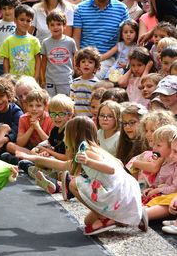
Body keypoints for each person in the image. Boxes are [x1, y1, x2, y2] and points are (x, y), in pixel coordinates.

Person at [16, 116, 147, 235]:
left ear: (75, 134)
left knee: (74, 183)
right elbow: (60, 165)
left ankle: (107, 218)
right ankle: (128, 215)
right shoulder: (91, 150)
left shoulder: (88, 152)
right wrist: (30, 157)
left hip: (117, 195)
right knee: (88, 221)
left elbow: (112, 169)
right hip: (126, 195)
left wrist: (88, 161)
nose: (64, 136)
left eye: (66, 132)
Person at [18, 94, 74, 193]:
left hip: (67, 165)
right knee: (37, 158)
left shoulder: (70, 132)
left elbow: (67, 158)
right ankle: (49, 179)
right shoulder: (55, 130)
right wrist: (39, 149)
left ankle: (58, 183)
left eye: (61, 114)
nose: (56, 118)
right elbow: (49, 143)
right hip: (55, 162)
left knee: (61, 172)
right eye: (53, 114)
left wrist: (49, 151)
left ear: (69, 115)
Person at [73, 0, 129, 80]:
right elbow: (76, 38)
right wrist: (76, 62)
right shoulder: (80, 8)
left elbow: (124, 39)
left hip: (108, 57)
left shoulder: (121, 9)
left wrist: (100, 58)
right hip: (84, 57)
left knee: (94, 77)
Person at [126, 110, 176, 190]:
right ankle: (135, 188)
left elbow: (154, 167)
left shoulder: (166, 152)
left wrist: (135, 163)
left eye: (152, 130)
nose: (148, 134)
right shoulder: (156, 151)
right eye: (146, 130)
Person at [4, 89, 53, 158]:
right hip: (29, 149)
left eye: (38, 106)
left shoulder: (50, 119)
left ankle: (28, 158)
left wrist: (38, 128)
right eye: (31, 105)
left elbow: (51, 143)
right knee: (9, 145)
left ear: (45, 106)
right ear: (26, 106)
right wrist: (32, 127)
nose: (34, 109)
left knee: (49, 151)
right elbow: (20, 143)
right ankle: (33, 157)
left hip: (44, 149)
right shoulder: (23, 118)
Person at [142, 125, 177, 222]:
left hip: (169, 195)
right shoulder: (164, 161)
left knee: (164, 201)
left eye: (158, 145)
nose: (154, 148)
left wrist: (157, 190)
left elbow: (174, 188)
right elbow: (158, 181)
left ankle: (142, 214)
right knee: (146, 197)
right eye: (154, 144)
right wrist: (152, 188)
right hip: (162, 193)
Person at [0, 4, 41, 81]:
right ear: (15, 20)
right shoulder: (8, 40)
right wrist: (7, 77)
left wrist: (36, 77)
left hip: (30, 81)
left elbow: (38, 61)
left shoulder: (34, 41)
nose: (25, 23)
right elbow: (6, 61)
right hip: (14, 81)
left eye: (28, 21)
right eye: (22, 19)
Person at [40, 10, 77, 96]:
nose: (55, 27)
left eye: (58, 24)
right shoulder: (45, 42)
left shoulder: (70, 42)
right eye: (52, 25)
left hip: (66, 80)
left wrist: (75, 74)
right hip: (50, 80)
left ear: (64, 25)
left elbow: (76, 58)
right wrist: (42, 79)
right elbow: (43, 62)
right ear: (48, 27)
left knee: (65, 103)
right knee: (50, 103)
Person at [70, 47, 101, 117]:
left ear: (95, 66)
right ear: (79, 65)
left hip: (90, 118)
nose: (86, 64)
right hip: (77, 117)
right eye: (83, 61)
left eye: (90, 62)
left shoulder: (97, 84)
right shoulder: (75, 82)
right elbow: (71, 100)